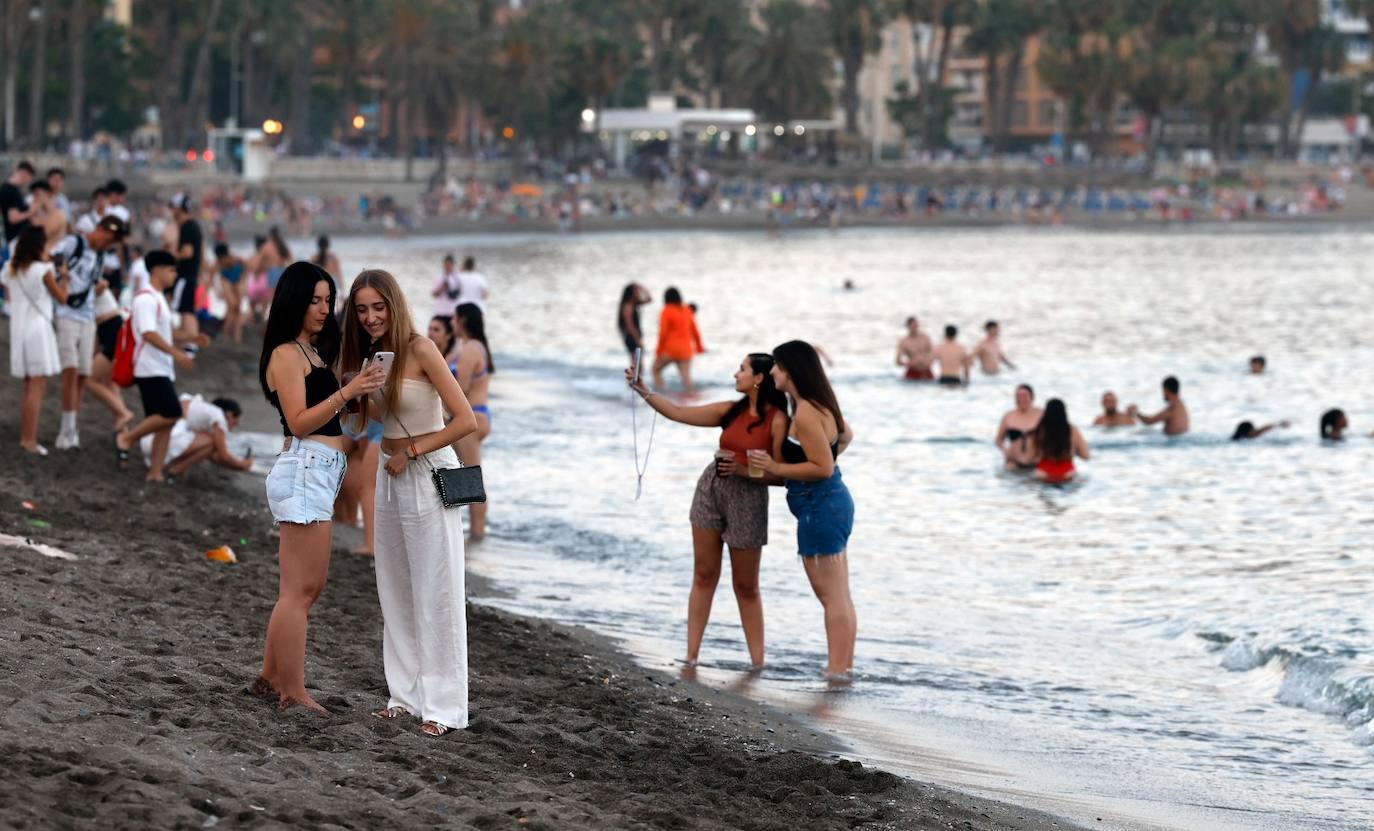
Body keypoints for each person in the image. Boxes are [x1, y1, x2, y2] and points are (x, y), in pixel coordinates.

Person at [339, 268, 478, 736]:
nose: (371, 317)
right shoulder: (372, 359)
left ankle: (443, 708)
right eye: (362, 309)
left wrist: (412, 453)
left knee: (436, 590)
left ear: (394, 305)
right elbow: (369, 423)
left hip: (426, 467)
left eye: (378, 307)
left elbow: (465, 421)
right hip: (390, 470)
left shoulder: (422, 348)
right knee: (394, 585)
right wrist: (355, 390)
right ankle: (404, 694)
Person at [251, 261, 386, 713]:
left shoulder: (308, 351)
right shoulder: (286, 355)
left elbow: (322, 414)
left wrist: (351, 387)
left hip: (318, 469)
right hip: (306, 467)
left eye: (328, 301)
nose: (324, 309)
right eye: (315, 300)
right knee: (301, 591)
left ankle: (271, 679)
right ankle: (293, 690)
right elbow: (299, 422)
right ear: (293, 300)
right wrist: (347, 393)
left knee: (304, 588)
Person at [627, 353, 788, 669]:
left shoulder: (778, 420)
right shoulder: (730, 411)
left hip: (749, 499)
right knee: (703, 574)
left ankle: (758, 664)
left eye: (741, 369)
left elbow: (781, 475)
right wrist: (642, 389)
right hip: (711, 489)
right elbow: (677, 412)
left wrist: (742, 470)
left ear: (759, 378)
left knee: (746, 585)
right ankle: (691, 656)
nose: (735, 374)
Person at [748, 341, 856, 681]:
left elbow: (822, 468)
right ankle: (841, 670)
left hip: (819, 506)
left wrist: (776, 466)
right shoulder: (818, 404)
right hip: (830, 502)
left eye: (777, 366)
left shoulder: (807, 412)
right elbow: (846, 436)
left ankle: (836, 673)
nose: (773, 372)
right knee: (839, 596)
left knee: (831, 597)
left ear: (791, 369)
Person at [113, 250, 207, 480]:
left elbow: (163, 331)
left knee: (164, 421)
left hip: (160, 367)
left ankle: (155, 472)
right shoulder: (145, 298)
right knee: (171, 414)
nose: (175, 275)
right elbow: (148, 333)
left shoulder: (158, 298)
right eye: (172, 270)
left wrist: (190, 338)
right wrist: (178, 354)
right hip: (149, 367)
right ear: (157, 270)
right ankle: (127, 438)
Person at [51, 214, 129, 450]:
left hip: (87, 318)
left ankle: (72, 428)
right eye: (109, 237)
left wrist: (99, 288)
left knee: (83, 375)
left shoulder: (101, 255)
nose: (108, 243)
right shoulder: (75, 243)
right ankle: (66, 429)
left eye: (112, 241)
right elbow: (54, 258)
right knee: (70, 371)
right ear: (101, 229)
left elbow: (90, 286)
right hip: (66, 314)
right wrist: (61, 277)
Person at [4, 226, 65, 454]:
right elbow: (63, 298)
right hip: (38, 328)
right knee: (36, 387)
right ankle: (29, 439)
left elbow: (8, 291)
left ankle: (26, 436)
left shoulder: (11, 269)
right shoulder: (43, 269)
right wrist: (65, 277)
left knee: (29, 386)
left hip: (19, 327)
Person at [452, 303, 494, 541]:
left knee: (471, 478)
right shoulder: (469, 347)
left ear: (463, 321)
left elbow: (461, 389)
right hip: (476, 414)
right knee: (466, 476)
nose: (452, 323)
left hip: (473, 417)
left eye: (455, 319)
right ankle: (472, 531)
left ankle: (478, 535)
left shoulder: (470, 350)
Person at [137, 395, 252, 479]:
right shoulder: (218, 417)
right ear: (229, 414)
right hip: (160, 443)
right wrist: (242, 465)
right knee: (212, 442)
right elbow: (223, 455)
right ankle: (175, 471)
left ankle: (174, 470)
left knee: (209, 443)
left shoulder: (196, 404)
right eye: (234, 423)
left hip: (148, 439)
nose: (231, 428)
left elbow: (212, 455)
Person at [652, 287, 704, 393]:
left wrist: (658, 351)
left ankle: (661, 394)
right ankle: (691, 398)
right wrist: (699, 347)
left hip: (671, 350)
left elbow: (663, 333)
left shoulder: (666, 311)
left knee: (655, 370)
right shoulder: (687, 310)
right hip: (686, 351)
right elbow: (695, 331)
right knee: (686, 380)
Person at [169, 195, 204, 348]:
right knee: (186, 310)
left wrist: (171, 254)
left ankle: (192, 343)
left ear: (179, 208)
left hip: (185, 275)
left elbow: (187, 252)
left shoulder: (187, 226)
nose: (172, 211)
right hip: (191, 275)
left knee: (186, 311)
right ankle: (189, 344)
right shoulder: (194, 225)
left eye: (173, 207)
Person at [1027, 398, 1090, 483]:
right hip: (1067, 471)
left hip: (1043, 471)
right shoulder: (1072, 430)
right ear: (1064, 412)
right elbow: (1085, 455)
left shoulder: (1040, 431)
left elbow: (1030, 457)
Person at [995, 384, 1043, 469]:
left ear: (1032, 397)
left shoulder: (1041, 415)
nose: (1021, 399)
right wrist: (1005, 450)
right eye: (1018, 396)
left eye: (1024, 396)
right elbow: (998, 440)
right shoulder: (1008, 416)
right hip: (1014, 461)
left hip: (1036, 461)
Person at [214, 243, 247, 343]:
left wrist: (243, 281)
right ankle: (226, 334)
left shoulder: (236, 259)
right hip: (226, 279)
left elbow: (245, 267)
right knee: (232, 305)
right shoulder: (218, 263)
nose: (222, 261)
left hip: (237, 278)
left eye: (222, 259)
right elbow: (212, 277)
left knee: (237, 308)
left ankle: (236, 335)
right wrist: (217, 290)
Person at [0, 160, 35, 249]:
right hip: (12, 241)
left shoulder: (6, 188)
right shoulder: (12, 191)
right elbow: (13, 218)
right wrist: (30, 212)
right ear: (25, 175)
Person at [617, 282, 651, 358]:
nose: (638, 292)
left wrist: (643, 288)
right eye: (636, 290)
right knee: (636, 363)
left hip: (635, 336)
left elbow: (649, 299)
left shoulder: (634, 304)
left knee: (638, 363)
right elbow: (630, 325)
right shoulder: (628, 306)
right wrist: (637, 340)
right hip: (631, 337)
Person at [895, 316, 933, 381]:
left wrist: (927, 361)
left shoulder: (925, 338)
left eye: (916, 326)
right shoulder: (904, 341)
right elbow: (898, 362)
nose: (915, 328)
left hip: (926, 371)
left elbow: (933, 353)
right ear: (908, 327)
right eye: (913, 326)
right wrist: (910, 363)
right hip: (912, 371)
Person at [431, 254, 462, 319]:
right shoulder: (438, 277)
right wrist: (442, 287)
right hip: (441, 311)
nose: (447, 266)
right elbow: (434, 294)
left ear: (453, 265)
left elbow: (460, 293)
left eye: (449, 264)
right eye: (445, 264)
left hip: (453, 312)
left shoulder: (458, 277)